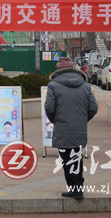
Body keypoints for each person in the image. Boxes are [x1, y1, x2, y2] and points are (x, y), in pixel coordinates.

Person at [44, 56, 98, 200]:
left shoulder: (53, 85)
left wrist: (55, 120)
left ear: (59, 69)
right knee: (77, 157)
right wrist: (82, 120)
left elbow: (49, 107)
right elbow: (93, 108)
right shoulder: (86, 86)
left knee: (67, 159)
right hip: (79, 129)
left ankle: (74, 189)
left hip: (62, 127)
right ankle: (78, 187)